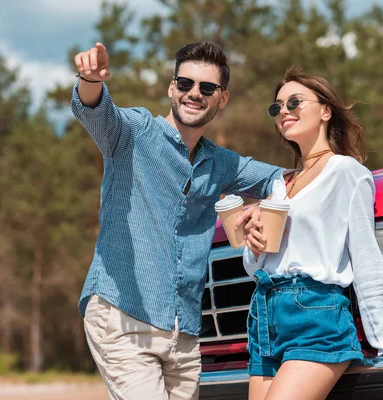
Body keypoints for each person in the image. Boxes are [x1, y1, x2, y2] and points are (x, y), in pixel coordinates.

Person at [72, 41, 283, 400]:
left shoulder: (220, 163)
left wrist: (271, 202)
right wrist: (89, 80)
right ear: (172, 88)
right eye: (185, 84)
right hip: (124, 315)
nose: (194, 94)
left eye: (207, 88)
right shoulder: (133, 132)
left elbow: (281, 178)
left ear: (223, 98)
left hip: (184, 335)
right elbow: (95, 110)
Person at [242, 67, 383, 400]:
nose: (283, 112)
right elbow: (255, 267)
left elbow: (365, 255)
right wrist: (253, 244)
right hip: (264, 314)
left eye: (294, 102)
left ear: (326, 111)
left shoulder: (346, 172)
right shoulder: (278, 185)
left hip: (316, 314)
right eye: (276, 107)